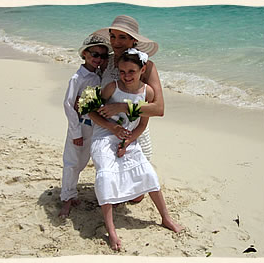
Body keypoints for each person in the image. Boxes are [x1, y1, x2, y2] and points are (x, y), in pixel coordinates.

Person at [89, 49, 183, 251]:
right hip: (105, 136)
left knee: (148, 173)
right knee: (105, 175)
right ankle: (111, 230)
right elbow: (90, 111)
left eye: (131, 71)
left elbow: (142, 125)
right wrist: (112, 128)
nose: (126, 76)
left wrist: (128, 141)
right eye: (122, 71)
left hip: (128, 139)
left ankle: (166, 217)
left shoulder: (147, 92)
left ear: (142, 70)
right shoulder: (111, 87)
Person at [93, 15, 164, 161]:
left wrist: (123, 107)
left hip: (135, 135)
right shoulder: (106, 62)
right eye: (112, 36)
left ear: (134, 40)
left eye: (122, 37)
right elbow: (93, 99)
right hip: (106, 133)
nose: (116, 42)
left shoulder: (147, 67)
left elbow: (158, 109)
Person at [59, 34, 112, 218]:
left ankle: (72, 193)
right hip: (80, 126)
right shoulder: (77, 78)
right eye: (95, 54)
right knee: (72, 162)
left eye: (103, 56)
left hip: (94, 127)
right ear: (85, 54)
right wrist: (75, 132)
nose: (99, 59)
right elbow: (68, 105)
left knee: (83, 162)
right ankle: (66, 198)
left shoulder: (99, 76)